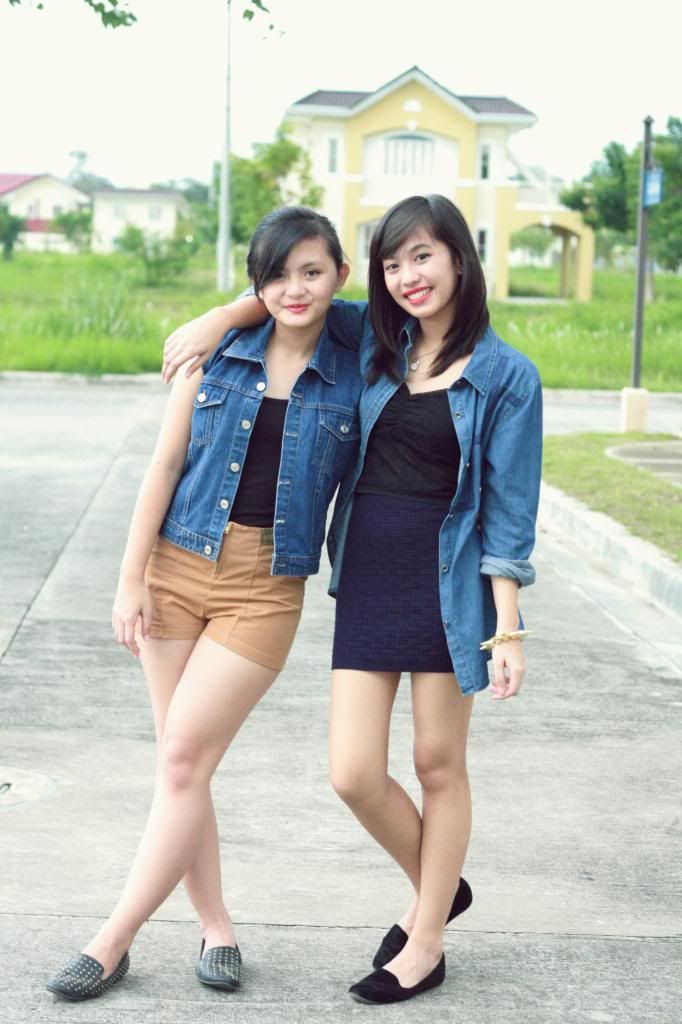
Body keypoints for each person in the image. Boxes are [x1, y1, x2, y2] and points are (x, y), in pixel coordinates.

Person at [161, 194, 543, 1005]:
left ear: (459, 258)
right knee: (353, 773)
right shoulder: (373, 339)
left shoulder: (508, 376)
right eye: (393, 263)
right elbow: (292, 293)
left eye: (423, 257)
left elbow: (510, 517)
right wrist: (218, 318)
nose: (408, 276)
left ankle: (425, 940)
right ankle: (440, 886)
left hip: (449, 588)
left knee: (437, 764)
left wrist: (508, 628)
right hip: (369, 576)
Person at [46, 206, 364, 1001]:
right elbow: (164, 466)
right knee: (183, 765)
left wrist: (229, 306)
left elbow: (411, 312)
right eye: (276, 276)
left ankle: (111, 940)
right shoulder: (215, 354)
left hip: (265, 586)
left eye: (312, 271)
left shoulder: (361, 356)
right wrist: (129, 579)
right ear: (257, 281)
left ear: (341, 274)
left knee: (185, 757)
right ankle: (217, 927)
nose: (295, 289)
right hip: (176, 566)